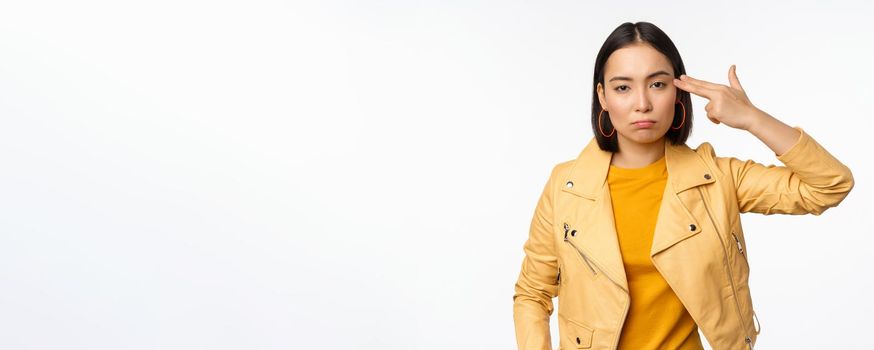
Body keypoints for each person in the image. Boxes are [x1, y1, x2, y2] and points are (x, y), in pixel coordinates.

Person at [512, 21, 854, 350]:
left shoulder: (717, 179)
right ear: (602, 96)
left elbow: (829, 185)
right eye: (622, 87)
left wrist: (752, 118)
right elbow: (532, 292)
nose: (642, 102)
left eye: (657, 84)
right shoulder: (566, 186)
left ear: (678, 90)